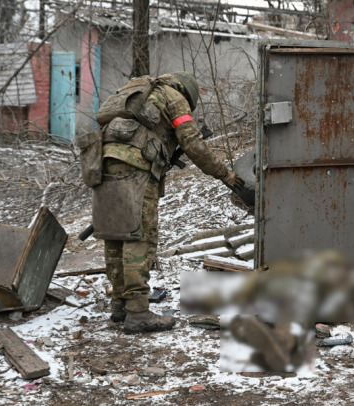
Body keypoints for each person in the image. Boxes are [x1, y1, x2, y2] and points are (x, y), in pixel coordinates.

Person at [92, 72, 244, 334]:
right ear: (188, 93)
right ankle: (138, 312)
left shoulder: (137, 91)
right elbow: (193, 143)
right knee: (139, 237)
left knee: (115, 234)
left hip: (102, 163)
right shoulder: (175, 98)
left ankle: (120, 305)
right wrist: (225, 174)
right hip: (136, 170)